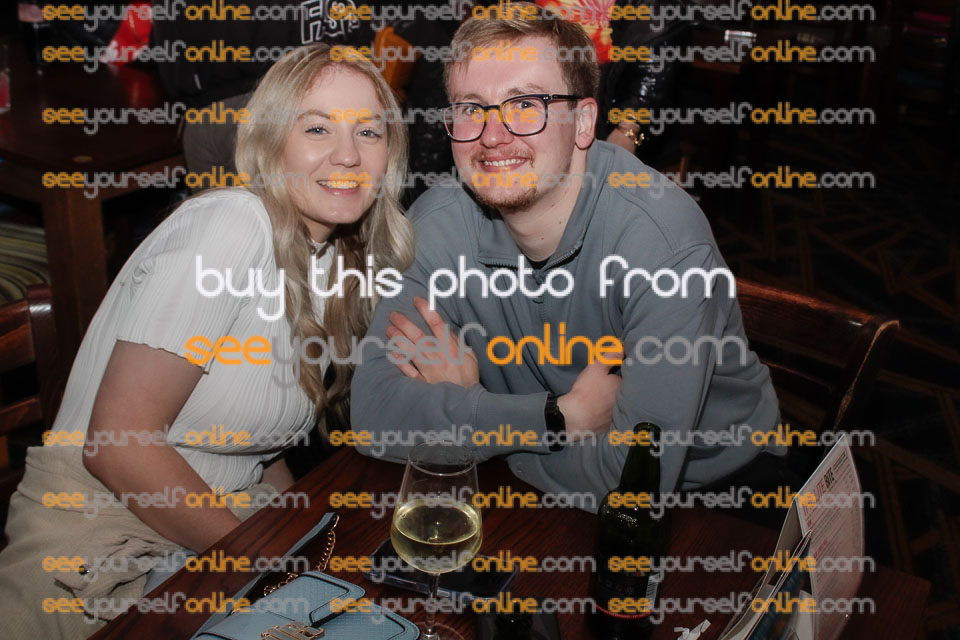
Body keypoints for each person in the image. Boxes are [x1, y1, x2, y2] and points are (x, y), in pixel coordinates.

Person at [0, 44, 413, 637]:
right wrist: (274, 569)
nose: (347, 154)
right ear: (271, 142)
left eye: (368, 132)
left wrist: (303, 542)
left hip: (209, 528)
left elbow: (254, 448)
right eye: (317, 127)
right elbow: (117, 447)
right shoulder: (232, 225)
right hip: (99, 539)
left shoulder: (332, 260)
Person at [351, 4, 781, 506]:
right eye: (471, 108)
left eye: (525, 104)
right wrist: (553, 419)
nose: (492, 135)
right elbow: (372, 414)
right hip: (545, 475)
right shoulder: (437, 221)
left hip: (719, 490)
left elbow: (632, 484)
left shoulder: (662, 249)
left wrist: (478, 426)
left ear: (583, 122)